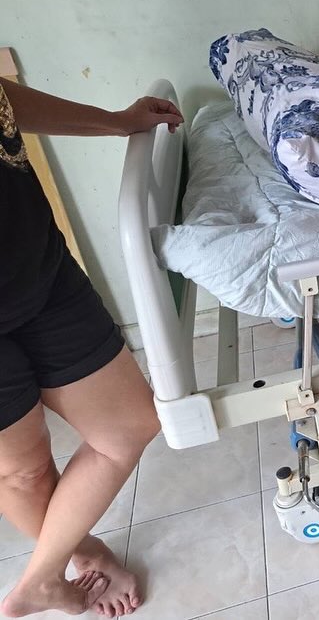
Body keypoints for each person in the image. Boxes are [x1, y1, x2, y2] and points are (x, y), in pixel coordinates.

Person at [0, 77, 182, 617]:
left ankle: (40, 577)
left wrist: (116, 122)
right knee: (22, 470)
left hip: (40, 272)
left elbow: (4, 102)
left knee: (129, 425)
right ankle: (78, 555)